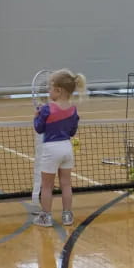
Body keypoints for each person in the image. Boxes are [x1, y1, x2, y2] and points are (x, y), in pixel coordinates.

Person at [33, 69, 87, 227]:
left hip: (51, 149)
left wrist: (36, 117)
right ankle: (67, 216)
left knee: (47, 186)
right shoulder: (73, 109)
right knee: (66, 184)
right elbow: (72, 132)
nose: (48, 91)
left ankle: (46, 217)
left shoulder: (47, 109)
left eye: (50, 88)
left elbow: (39, 129)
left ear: (58, 90)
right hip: (66, 148)